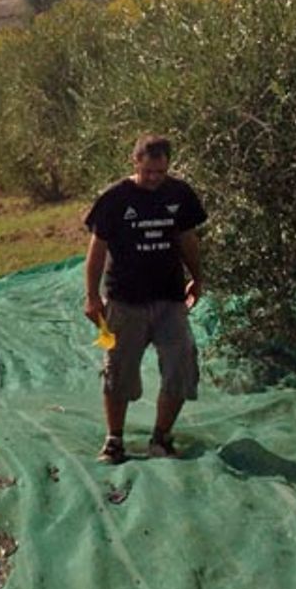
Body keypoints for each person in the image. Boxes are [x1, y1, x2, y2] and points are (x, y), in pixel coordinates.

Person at [83, 133, 208, 463]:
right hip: (124, 301)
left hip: (169, 299)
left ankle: (161, 438)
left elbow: (188, 238)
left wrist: (198, 277)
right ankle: (115, 440)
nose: (154, 178)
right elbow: (97, 250)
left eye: (161, 172)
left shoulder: (179, 194)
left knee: (180, 365)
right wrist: (92, 297)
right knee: (118, 370)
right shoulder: (114, 199)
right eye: (148, 171)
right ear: (135, 162)